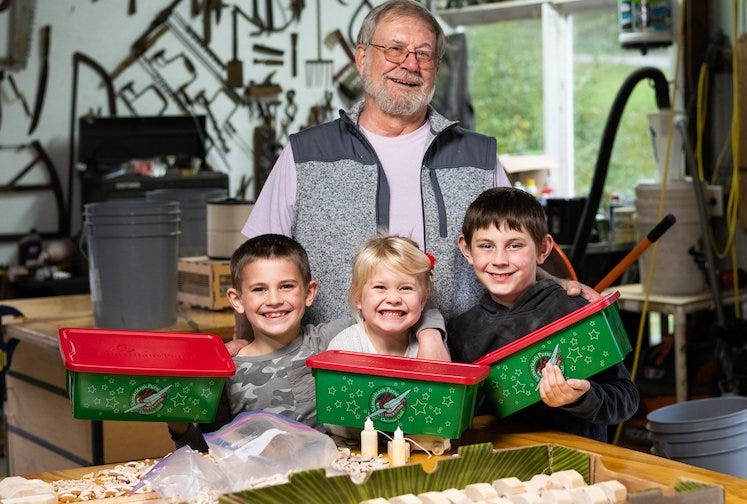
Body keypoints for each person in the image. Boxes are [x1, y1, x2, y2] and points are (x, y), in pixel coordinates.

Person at [240, 0, 594, 359]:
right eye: (394, 49)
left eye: (422, 54)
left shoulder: (477, 156)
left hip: (457, 366)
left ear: (436, 68)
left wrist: (558, 285)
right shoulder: (305, 153)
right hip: (333, 374)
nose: (409, 64)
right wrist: (248, 344)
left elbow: (513, 246)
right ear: (361, 59)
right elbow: (254, 263)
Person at [448, 187, 639, 442]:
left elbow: (627, 399)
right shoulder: (461, 332)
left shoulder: (575, 313)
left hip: (576, 465)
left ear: (542, 248)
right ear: (466, 249)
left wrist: (582, 398)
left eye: (515, 245)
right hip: (503, 470)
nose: (499, 260)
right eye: (486, 246)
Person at [167, 234, 349, 451]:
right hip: (258, 479)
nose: (274, 300)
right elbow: (207, 452)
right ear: (237, 300)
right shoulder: (226, 374)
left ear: (309, 293)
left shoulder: (330, 341)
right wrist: (178, 425)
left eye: (287, 286)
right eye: (259, 289)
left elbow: (382, 319)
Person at [328, 234, 444, 358]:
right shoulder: (345, 346)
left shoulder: (430, 348)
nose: (393, 299)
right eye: (380, 287)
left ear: (423, 300)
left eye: (406, 288)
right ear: (358, 297)